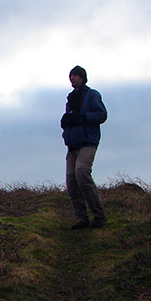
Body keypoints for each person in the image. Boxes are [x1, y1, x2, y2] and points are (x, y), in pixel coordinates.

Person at [61, 65, 108, 229]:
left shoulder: (92, 95)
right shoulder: (71, 98)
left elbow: (102, 115)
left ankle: (99, 215)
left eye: (76, 75)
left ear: (83, 77)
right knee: (71, 182)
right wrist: (65, 128)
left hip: (87, 142)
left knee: (82, 174)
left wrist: (83, 118)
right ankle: (82, 219)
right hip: (72, 146)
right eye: (71, 76)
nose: (73, 78)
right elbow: (70, 120)